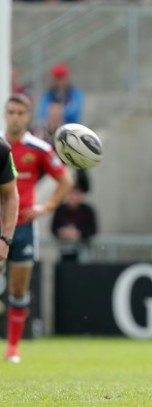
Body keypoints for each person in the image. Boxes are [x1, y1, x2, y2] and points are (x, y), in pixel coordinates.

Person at [1, 94, 73, 363]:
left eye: (20, 112)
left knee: (18, 288)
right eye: (11, 112)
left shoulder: (39, 149)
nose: (15, 117)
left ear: (28, 116)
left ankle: (12, 348)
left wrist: (47, 206)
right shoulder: (1, 146)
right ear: (6, 114)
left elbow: (65, 179)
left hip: (24, 227)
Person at [50, 186, 98, 262]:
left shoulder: (87, 210)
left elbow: (93, 229)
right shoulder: (60, 210)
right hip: (64, 251)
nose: (73, 197)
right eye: (71, 194)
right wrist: (62, 232)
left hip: (84, 251)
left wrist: (78, 233)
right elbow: (53, 228)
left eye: (76, 194)